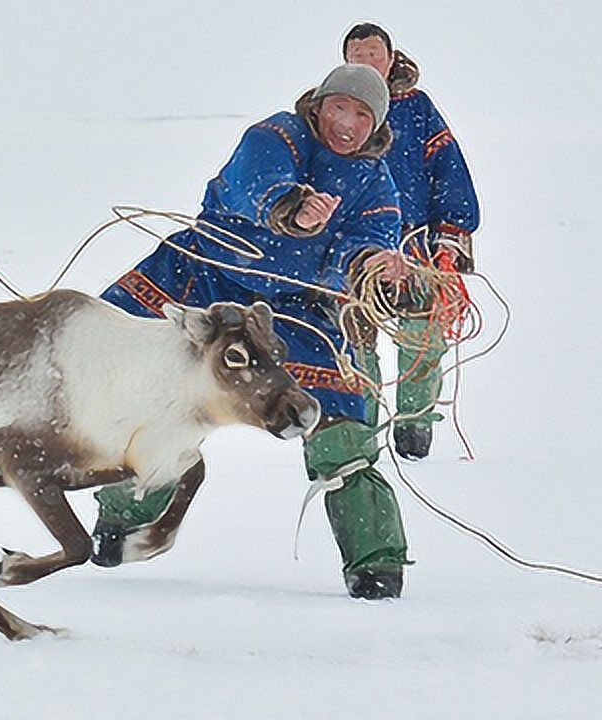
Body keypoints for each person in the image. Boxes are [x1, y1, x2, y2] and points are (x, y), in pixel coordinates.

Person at [90, 64, 414, 599]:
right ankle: (119, 521)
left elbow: (363, 240)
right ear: (320, 105)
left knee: (340, 429)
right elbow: (252, 186)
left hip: (295, 310)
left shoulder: (375, 182)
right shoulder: (277, 135)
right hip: (205, 281)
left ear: (375, 124)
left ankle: (376, 564)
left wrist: (372, 264)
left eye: (361, 114)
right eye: (340, 107)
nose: (347, 123)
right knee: (163, 410)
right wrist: (293, 210)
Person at [342, 22, 482, 459]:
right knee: (351, 341)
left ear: (390, 57)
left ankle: (414, 427)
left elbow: (448, 169)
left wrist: (453, 232)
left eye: (373, 53)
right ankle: (358, 428)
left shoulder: (416, 108)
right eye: (357, 54)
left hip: (415, 246)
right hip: (354, 252)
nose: (365, 61)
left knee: (423, 337)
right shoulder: (335, 111)